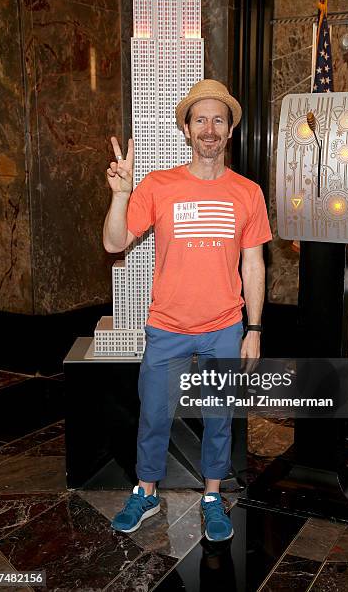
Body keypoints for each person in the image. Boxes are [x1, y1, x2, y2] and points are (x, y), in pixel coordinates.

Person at [103, 79, 272, 542]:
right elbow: (114, 242)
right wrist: (121, 195)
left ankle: (213, 496)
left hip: (224, 326)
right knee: (154, 414)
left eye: (219, 119)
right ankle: (146, 491)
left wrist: (253, 329)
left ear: (230, 130)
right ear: (187, 129)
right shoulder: (159, 186)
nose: (209, 128)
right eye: (200, 119)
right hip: (167, 327)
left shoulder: (248, 192)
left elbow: (253, 264)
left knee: (219, 418)